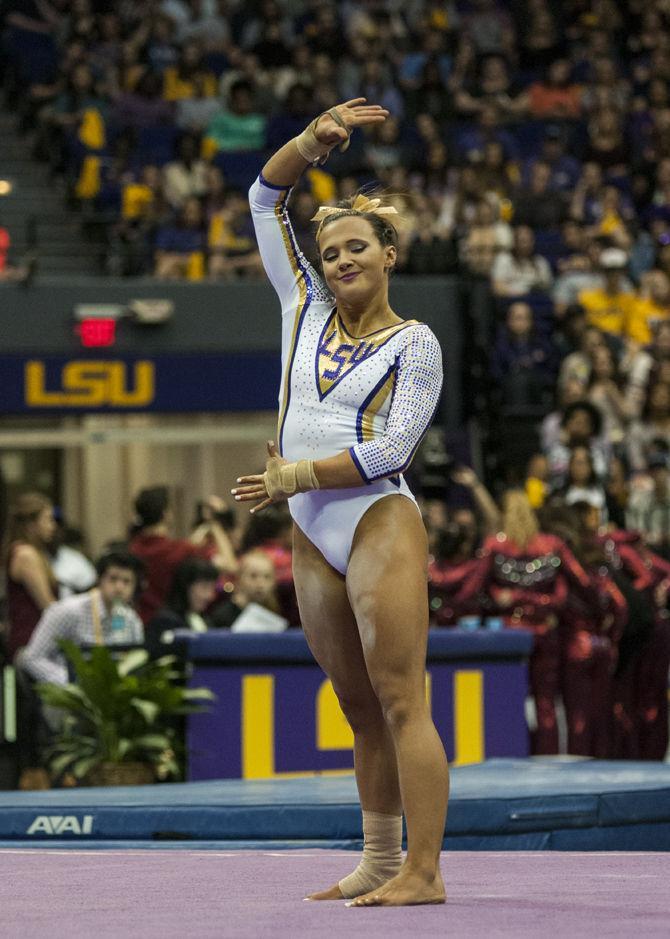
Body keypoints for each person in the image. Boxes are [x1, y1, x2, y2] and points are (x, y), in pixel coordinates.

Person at [234, 98, 449, 906]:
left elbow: (392, 450)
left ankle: (425, 871)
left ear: (389, 254)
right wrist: (306, 143)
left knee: (400, 696)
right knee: (357, 705)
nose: (338, 262)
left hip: (374, 515)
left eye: (356, 247)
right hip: (308, 524)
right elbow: (263, 200)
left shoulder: (414, 342)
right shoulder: (302, 309)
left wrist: (297, 475)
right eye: (328, 252)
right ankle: (379, 857)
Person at [19, 551, 145, 686]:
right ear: (99, 580)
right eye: (113, 579)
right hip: (67, 694)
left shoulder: (131, 619)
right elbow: (32, 658)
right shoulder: (67, 610)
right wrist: (71, 682)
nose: (119, 587)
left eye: (127, 582)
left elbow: (136, 661)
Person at [129, 486, 226, 623]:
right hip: (172, 622)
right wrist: (215, 524)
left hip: (137, 621)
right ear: (165, 514)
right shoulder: (179, 550)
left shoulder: (131, 549)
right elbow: (229, 564)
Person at [146, 556, 220, 656]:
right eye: (204, 587)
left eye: (212, 588)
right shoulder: (165, 621)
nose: (210, 596)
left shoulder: (206, 620)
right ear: (185, 587)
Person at [210, 550, 281, 629]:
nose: (261, 584)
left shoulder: (276, 614)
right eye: (253, 576)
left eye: (267, 577)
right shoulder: (222, 617)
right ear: (239, 579)